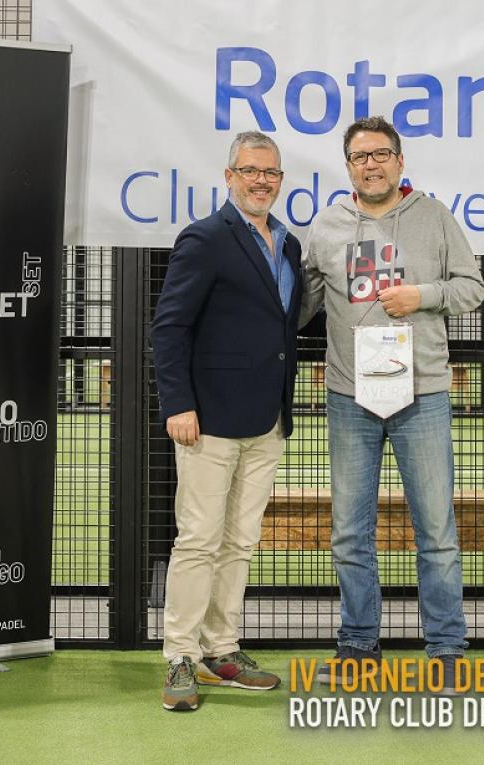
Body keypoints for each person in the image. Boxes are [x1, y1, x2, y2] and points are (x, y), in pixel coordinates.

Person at [300, 116, 484, 693]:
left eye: (381, 154)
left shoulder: (433, 218)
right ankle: (358, 644)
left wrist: (422, 296)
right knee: (350, 533)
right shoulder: (326, 226)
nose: (371, 164)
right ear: (348, 166)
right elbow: (300, 301)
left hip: (422, 394)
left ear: (399, 162)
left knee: (436, 529)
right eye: (360, 157)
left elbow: (472, 288)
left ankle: (447, 648)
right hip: (349, 395)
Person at [151, 131, 302, 711]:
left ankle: (222, 652)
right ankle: (180, 658)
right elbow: (169, 328)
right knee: (198, 541)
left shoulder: (287, 245)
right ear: (230, 175)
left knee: (239, 541)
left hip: (267, 421)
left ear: (280, 179)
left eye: (271, 173)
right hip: (207, 419)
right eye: (250, 170)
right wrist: (177, 404)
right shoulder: (205, 238)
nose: (261, 180)